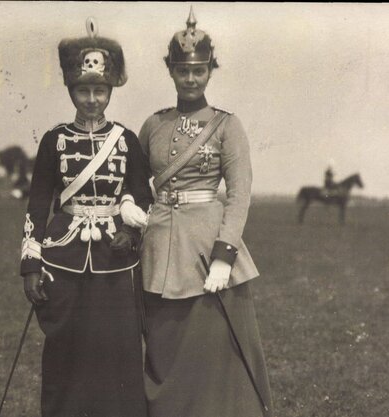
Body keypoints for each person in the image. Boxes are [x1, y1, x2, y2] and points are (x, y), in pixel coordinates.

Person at [121, 8, 273, 417]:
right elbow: (135, 182)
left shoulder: (227, 125)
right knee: (164, 352)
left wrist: (225, 256)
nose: (191, 78)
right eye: (183, 70)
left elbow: (239, 195)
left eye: (200, 70)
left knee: (214, 356)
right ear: (171, 71)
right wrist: (129, 203)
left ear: (210, 71)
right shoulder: (153, 124)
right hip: (159, 251)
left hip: (209, 250)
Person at [19, 18, 151, 417]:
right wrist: (30, 264)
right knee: (66, 347)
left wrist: (129, 228)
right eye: (83, 90)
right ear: (71, 90)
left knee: (117, 347)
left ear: (110, 90)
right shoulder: (54, 139)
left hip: (115, 258)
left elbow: (143, 193)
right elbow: (38, 203)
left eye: (99, 90)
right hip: (64, 258)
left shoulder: (126, 139)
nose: (91, 99)